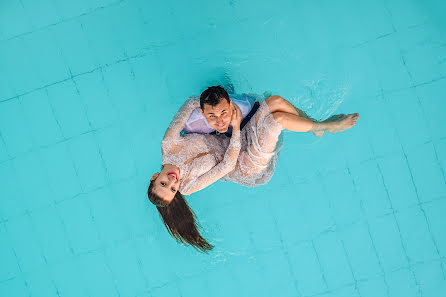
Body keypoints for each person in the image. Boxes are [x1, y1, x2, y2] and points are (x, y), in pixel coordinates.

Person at [147, 86, 359, 252]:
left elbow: (191, 102)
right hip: (244, 164)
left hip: (235, 138)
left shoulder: (168, 143)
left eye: (164, 183)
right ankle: (327, 127)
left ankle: (315, 126)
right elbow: (227, 166)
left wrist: (214, 106)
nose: (174, 181)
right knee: (278, 119)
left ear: (155, 176)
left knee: (274, 101)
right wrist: (236, 127)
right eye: (173, 189)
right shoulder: (190, 186)